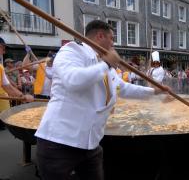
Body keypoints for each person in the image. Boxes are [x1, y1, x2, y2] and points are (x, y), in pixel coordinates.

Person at [34, 20, 170, 180]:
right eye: (112, 39)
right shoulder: (72, 51)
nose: (113, 44)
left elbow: (122, 88)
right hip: (59, 142)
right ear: (100, 36)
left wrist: (155, 92)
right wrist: (106, 63)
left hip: (91, 144)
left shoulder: (103, 64)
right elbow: (73, 80)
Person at [0, 37, 34, 130]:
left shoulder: (0, 68)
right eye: (2, 48)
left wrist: (22, 96)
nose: (4, 52)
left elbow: (7, 86)